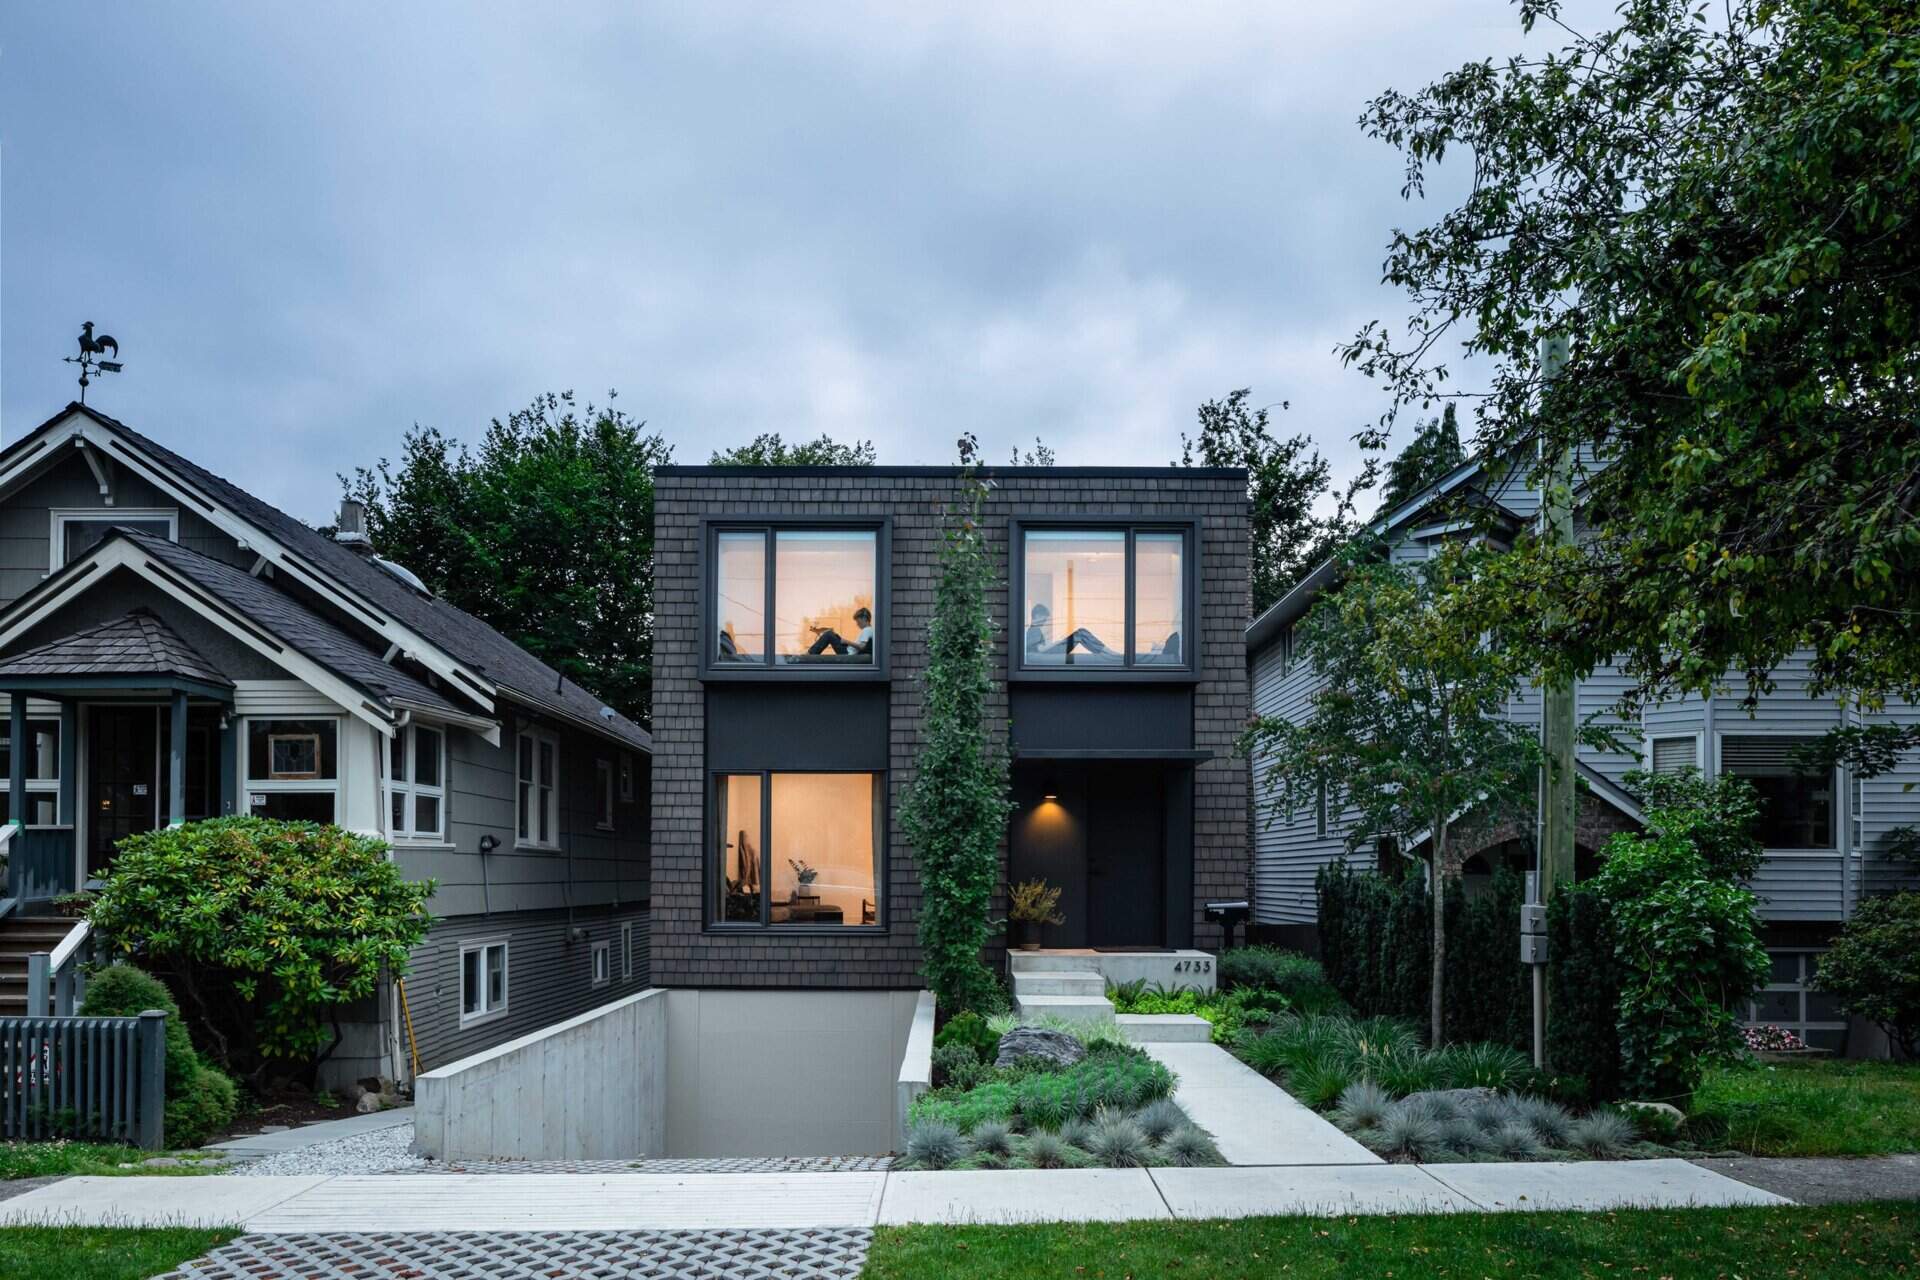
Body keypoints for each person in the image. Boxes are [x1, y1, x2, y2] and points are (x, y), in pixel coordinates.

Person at [1024, 602, 1115, 661]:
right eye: (1044, 618)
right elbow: (1041, 649)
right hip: (1050, 652)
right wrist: (1057, 642)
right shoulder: (1034, 629)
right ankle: (1109, 653)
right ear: (1037, 616)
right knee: (1081, 633)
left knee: (1080, 634)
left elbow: (1038, 648)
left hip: (1049, 651)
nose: (1045, 622)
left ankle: (1104, 652)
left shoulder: (1032, 630)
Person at [804, 607, 874, 657]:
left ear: (864, 618)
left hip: (847, 653)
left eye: (858, 621)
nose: (857, 624)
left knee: (828, 634)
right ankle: (810, 653)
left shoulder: (867, 630)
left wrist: (846, 641)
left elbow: (862, 647)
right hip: (848, 650)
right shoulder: (870, 630)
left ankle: (810, 654)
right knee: (832, 634)